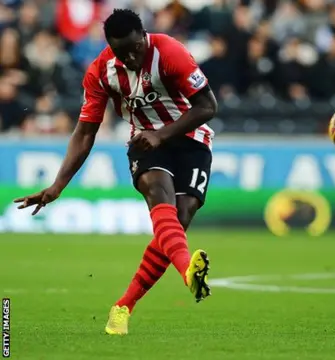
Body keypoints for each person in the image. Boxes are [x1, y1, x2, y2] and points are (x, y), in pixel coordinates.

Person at [13, 9, 218, 336]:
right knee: (157, 190)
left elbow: (208, 106)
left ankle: (123, 306)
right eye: (122, 52)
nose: (132, 56)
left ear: (144, 37)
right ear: (110, 46)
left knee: (181, 217)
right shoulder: (100, 72)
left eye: (136, 48)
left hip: (191, 137)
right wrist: (57, 186)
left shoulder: (171, 52)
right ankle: (187, 273)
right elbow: (84, 133)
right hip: (144, 141)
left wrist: (162, 134)